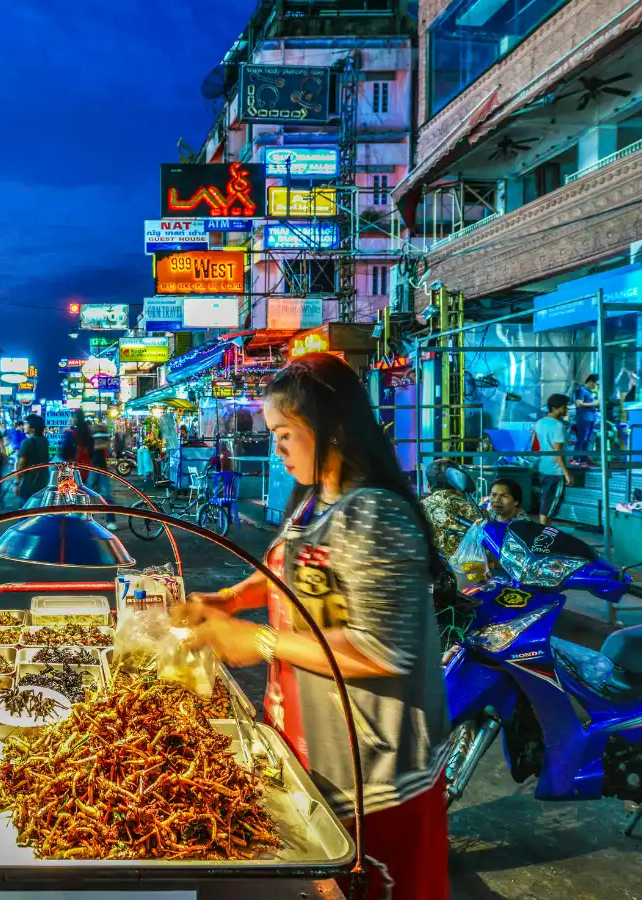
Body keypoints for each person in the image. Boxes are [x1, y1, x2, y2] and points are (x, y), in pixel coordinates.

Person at [178, 353, 449, 900]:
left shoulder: (374, 514)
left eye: (285, 434)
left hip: (373, 772)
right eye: (273, 435)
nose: (276, 449)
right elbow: (292, 573)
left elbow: (381, 649)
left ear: (334, 427)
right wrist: (229, 598)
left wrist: (259, 640)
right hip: (311, 745)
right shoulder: (313, 501)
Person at [419, 458, 483, 560]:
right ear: (459, 482)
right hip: (470, 569)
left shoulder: (417, 510)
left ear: (428, 486)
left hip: (428, 567)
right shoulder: (479, 512)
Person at [534, 393, 574, 526]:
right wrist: (566, 473)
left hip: (543, 467)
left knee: (546, 500)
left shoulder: (540, 423)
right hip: (555, 471)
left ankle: (544, 529)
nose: (566, 410)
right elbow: (558, 453)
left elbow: (536, 446)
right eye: (564, 407)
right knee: (551, 504)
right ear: (555, 408)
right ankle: (543, 531)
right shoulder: (558, 426)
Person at [15, 414, 50, 508]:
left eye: (26, 424)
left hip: (29, 483)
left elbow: (21, 464)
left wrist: (17, 483)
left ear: (33, 429)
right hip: (43, 481)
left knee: (25, 509)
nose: (24, 426)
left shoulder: (26, 442)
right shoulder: (45, 441)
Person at [89, 432, 118, 531]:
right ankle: (88, 519)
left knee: (105, 495)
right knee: (89, 494)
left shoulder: (101, 436)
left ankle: (110, 520)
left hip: (99, 468)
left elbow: (107, 446)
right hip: (93, 467)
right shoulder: (91, 435)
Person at [573, 374, 599, 460]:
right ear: (591, 381)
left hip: (591, 418)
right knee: (582, 438)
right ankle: (576, 458)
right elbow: (578, 404)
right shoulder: (581, 390)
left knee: (587, 440)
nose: (596, 386)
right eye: (596, 383)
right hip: (584, 418)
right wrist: (593, 404)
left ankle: (584, 459)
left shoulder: (591, 392)